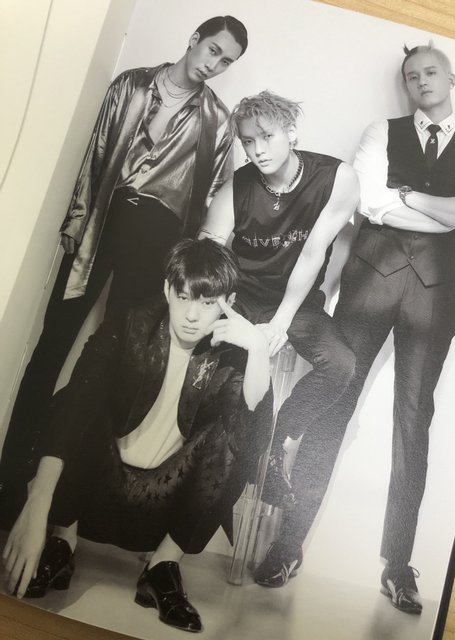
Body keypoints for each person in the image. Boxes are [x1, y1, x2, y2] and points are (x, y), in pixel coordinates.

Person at [255, 44, 455, 614]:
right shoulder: (381, 130)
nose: (421, 80)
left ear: (451, 77)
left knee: (414, 421)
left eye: (431, 71)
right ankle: (288, 544)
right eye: (412, 75)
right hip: (368, 285)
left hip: (435, 297)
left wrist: (408, 197)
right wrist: (447, 209)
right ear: (405, 85)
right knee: (336, 404)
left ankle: (398, 566)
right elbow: (372, 202)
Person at [0, 16, 248, 515]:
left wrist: (192, 272)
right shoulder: (131, 85)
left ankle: (66, 502)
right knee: (51, 346)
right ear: (194, 39)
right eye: (213, 50)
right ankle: (8, 477)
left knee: (117, 363)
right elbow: (96, 155)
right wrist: (76, 220)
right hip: (102, 223)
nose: (214, 64)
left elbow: (210, 203)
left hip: (158, 242)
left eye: (226, 62)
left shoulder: (217, 121)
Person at [2, 238, 272, 633]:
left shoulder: (231, 350)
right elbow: (75, 400)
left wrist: (258, 351)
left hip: (163, 508)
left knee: (239, 432)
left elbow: (253, 435)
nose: (192, 315)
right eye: (183, 297)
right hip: (91, 494)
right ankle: (62, 541)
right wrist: (38, 503)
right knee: (79, 394)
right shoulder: (131, 320)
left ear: (228, 303)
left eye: (207, 303)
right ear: (167, 290)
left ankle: (163, 566)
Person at [199, 89, 359, 578]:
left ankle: (279, 439)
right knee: (232, 379)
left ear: (291, 132)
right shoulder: (237, 186)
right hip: (241, 297)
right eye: (247, 142)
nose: (257, 150)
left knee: (341, 364)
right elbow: (208, 251)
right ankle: (250, 463)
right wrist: (228, 316)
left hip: (297, 300)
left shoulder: (336, 178)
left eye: (266, 137)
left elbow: (313, 254)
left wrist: (282, 322)